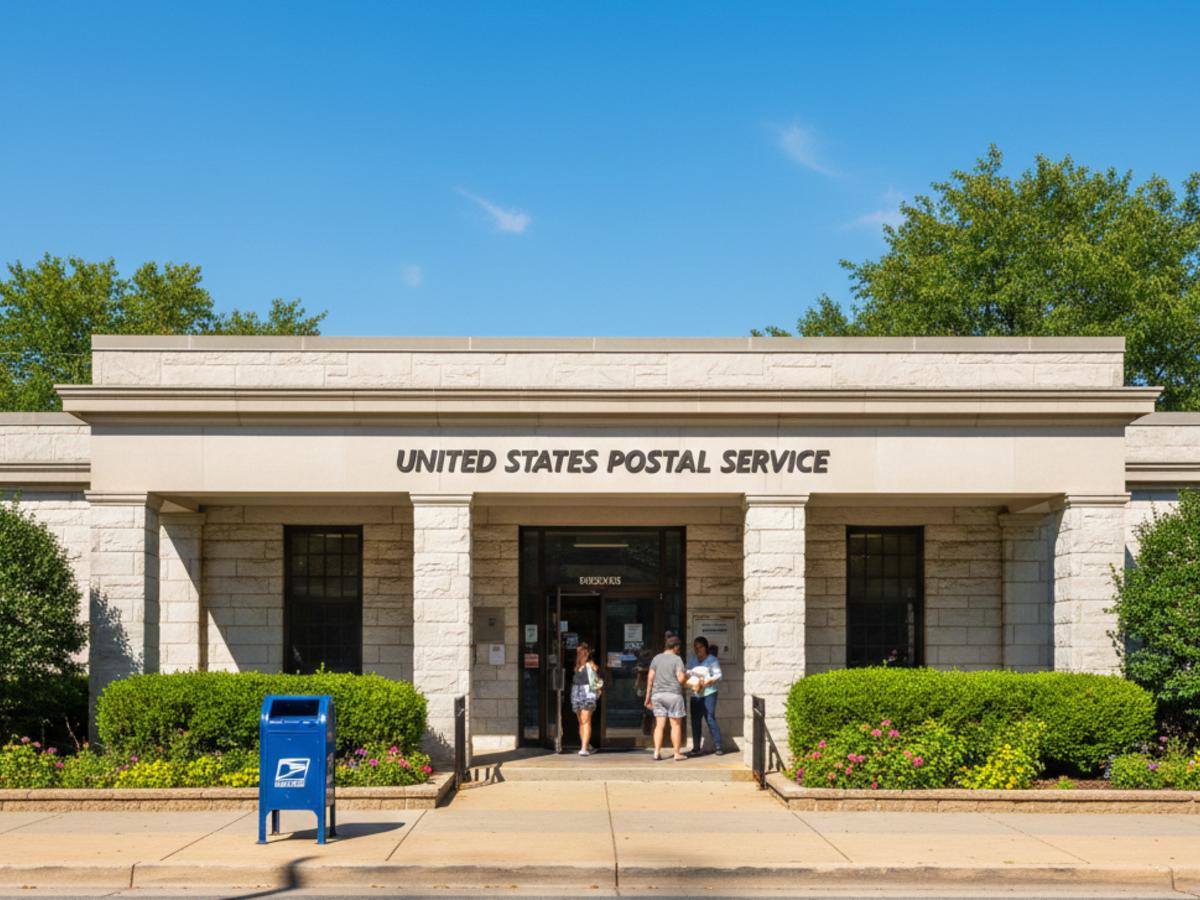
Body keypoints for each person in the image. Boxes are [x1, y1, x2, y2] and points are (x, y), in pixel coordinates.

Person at [644, 634, 687, 761]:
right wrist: (686, 676)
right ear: (675, 647)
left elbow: (650, 678)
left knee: (659, 725)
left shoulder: (656, 658)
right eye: (678, 647)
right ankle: (677, 753)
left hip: (657, 695)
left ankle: (656, 752)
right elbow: (680, 679)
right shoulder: (677, 659)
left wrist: (647, 697)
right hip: (673, 695)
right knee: (675, 725)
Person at [686, 636, 723, 756]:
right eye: (696, 647)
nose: (698, 650)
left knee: (710, 719)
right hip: (696, 694)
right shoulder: (692, 660)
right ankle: (696, 747)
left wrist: (708, 681)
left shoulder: (712, 660)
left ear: (705, 647)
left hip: (709, 693)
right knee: (695, 721)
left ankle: (718, 746)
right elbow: (687, 674)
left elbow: (718, 675)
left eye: (700, 647)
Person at [570, 642, 601, 756]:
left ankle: (584, 748)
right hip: (576, 692)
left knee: (586, 720)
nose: (582, 655)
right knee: (581, 721)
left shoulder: (591, 665)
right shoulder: (577, 666)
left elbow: (596, 679)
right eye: (580, 653)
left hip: (587, 693)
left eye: (583, 652)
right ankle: (585, 745)